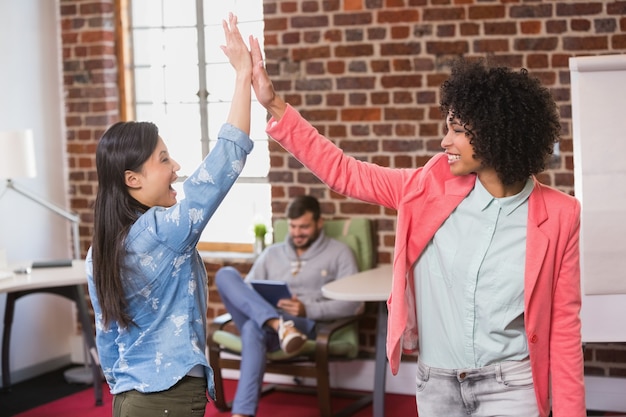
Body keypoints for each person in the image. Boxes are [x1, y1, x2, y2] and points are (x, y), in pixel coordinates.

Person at [248, 36, 585, 417]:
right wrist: (273, 103)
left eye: (457, 130)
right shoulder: (427, 187)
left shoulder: (560, 215)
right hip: (436, 383)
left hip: (512, 387)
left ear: (494, 134)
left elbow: (564, 329)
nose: (445, 141)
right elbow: (345, 173)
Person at [85, 14, 253, 417]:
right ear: (133, 179)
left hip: (129, 398)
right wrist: (243, 75)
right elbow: (225, 162)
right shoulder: (163, 232)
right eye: (163, 159)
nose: (176, 166)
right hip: (168, 399)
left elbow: (106, 337)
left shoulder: (101, 249)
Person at [215, 194, 362, 417]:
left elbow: (354, 304)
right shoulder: (271, 253)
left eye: (304, 227)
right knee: (225, 274)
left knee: (252, 329)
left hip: (303, 325)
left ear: (319, 223)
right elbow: (245, 292)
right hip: (268, 319)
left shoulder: (339, 253)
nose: (296, 233)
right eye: (292, 226)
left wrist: (307, 309)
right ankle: (278, 325)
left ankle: (241, 414)